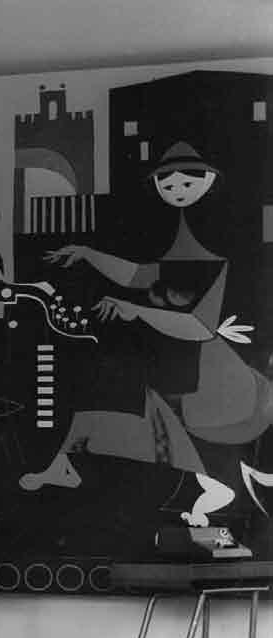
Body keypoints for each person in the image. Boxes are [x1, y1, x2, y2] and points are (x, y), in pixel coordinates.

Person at [20, 142, 273, 526]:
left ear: (208, 181)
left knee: (146, 417)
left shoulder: (214, 252)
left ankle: (213, 484)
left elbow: (199, 327)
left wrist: (136, 310)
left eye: (185, 184)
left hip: (208, 373)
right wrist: (88, 253)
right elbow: (138, 275)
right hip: (177, 364)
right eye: (167, 186)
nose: (176, 192)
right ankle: (64, 463)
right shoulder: (183, 248)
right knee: (121, 403)